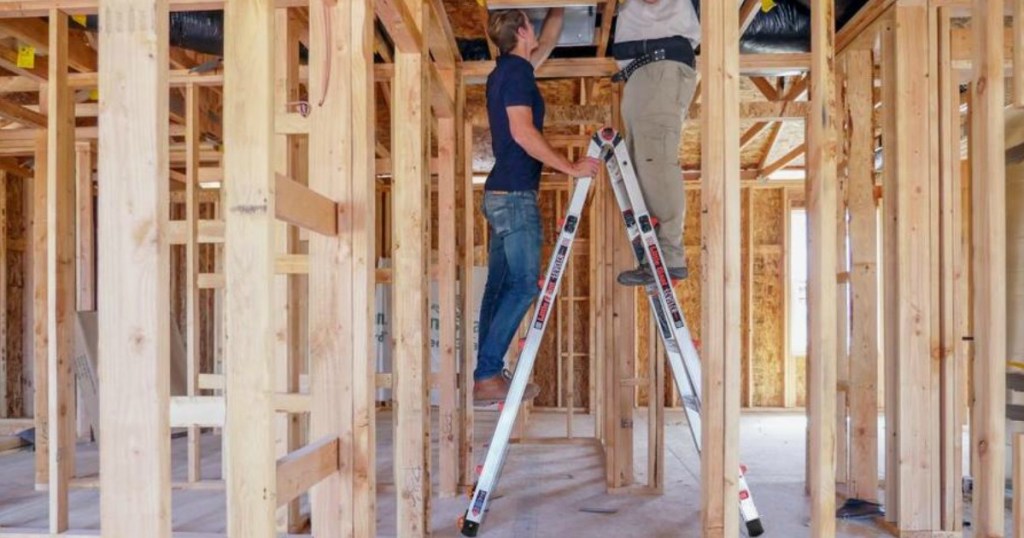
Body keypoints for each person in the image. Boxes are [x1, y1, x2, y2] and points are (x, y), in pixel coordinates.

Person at [474, 8, 601, 404]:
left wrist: (559, 7)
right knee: (525, 285)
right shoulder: (514, 74)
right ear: (522, 30)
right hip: (513, 196)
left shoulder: (514, 69)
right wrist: (570, 167)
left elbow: (549, 40)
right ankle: (489, 372)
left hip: (503, 195)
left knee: (499, 290)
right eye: (534, 27)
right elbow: (523, 132)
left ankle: (486, 374)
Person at [611, 0, 700, 286]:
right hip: (648, 71)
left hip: (659, 65)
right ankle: (658, 258)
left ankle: (670, 258)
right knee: (644, 168)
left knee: (655, 162)